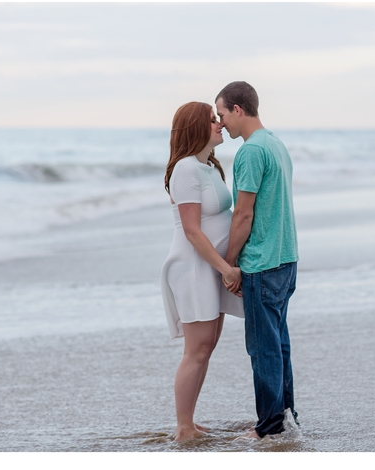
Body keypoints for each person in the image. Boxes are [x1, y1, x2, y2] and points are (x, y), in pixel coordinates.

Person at [215, 81, 300, 440]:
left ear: (238, 108)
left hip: (263, 263)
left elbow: (243, 215)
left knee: (263, 348)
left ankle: (268, 428)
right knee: (278, 343)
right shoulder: (276, 144)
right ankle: (285, 415)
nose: (221, 124)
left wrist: (230, 263)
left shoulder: (250, 153)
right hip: (286, 257)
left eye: (222, 115)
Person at [160, 101, 245, 442]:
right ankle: (183, 429)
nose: (219, 124)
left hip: (212, 267)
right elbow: (193, 231)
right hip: (195, 267)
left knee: (207, 346)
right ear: (196, 128)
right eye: (212, 120)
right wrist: (227, 268)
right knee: (196, 349)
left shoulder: (208, 167)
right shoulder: (185, 170)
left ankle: (190, 423)